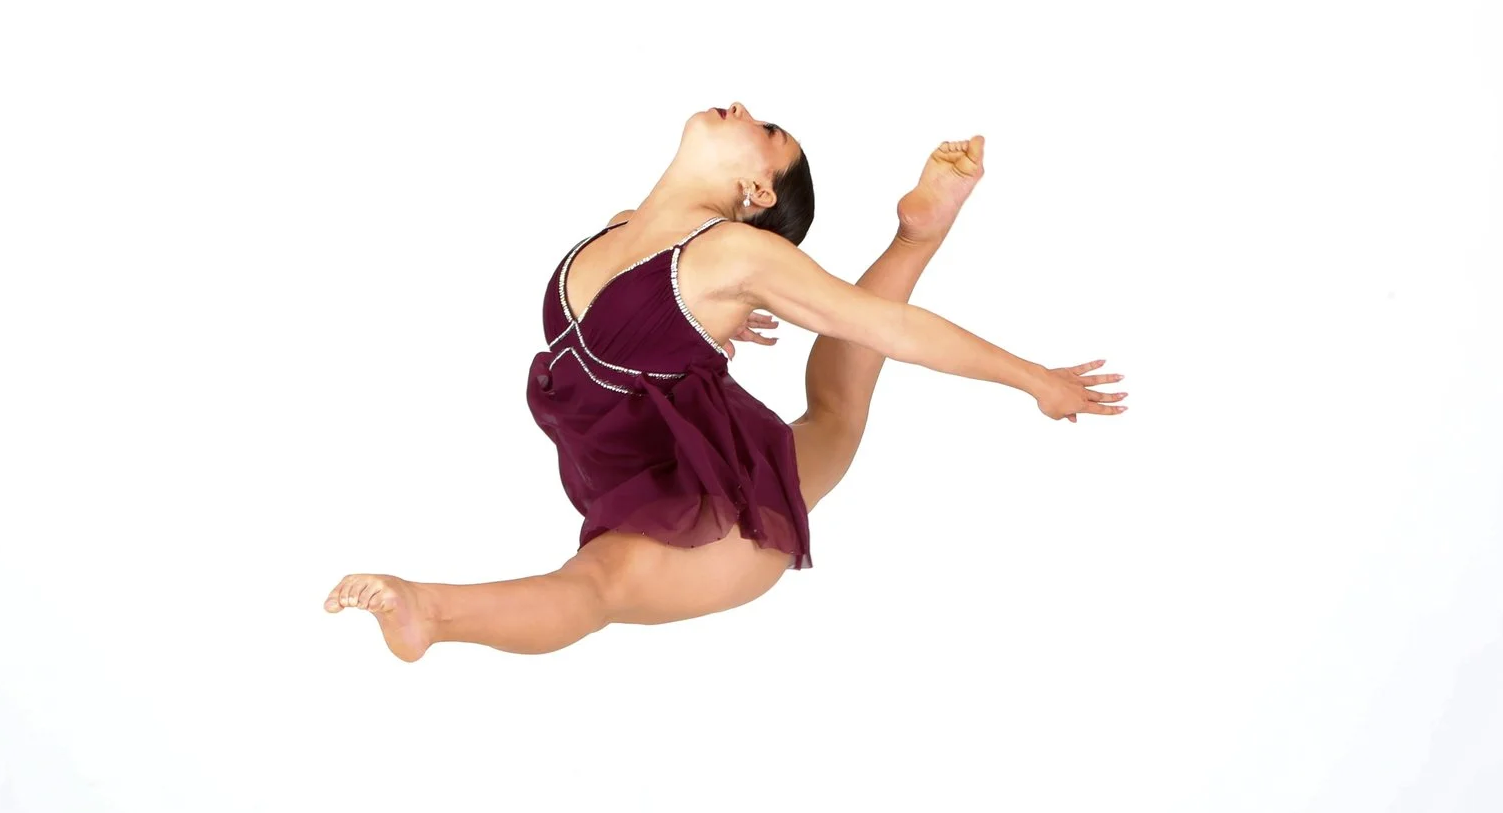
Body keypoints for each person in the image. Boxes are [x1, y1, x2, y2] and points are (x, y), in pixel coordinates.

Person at [324, 102, 1124, 659]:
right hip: (651, 465)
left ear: (758, 192)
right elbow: (657, 312)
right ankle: (916, 232)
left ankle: (431, 611)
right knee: (834, 416)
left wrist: (1034, 379)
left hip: (723, 523)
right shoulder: (621, 230)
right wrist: (709, 321)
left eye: (767, 130)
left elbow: (889, 329)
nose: (742, 107)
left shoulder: (734, 255)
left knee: (598, 584)